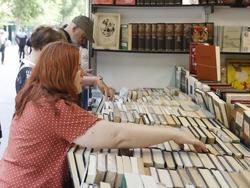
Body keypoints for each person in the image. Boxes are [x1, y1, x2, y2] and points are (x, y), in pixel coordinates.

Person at [0, 41, 206, 187]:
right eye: (77, 68)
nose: (82, 73)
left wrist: (95, 81)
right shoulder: (55, 110)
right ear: (61, 74)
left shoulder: (38, 94)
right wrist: (173, 133)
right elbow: (118, 137)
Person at [61, 15, 115, 108]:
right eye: (83, 37)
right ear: (74, 28)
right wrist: (95, 80)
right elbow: (66, 78)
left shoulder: (67, 43)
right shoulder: (59, 42)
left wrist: (98, 81)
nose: (83, 41)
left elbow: (76, 71)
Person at [15, 26, 67, 93]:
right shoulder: (29, 73)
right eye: (57, 50)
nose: (58, 55)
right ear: (45, 47)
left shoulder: (34, 67)